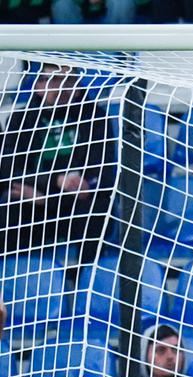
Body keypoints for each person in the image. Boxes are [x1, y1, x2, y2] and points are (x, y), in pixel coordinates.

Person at [0, 64, 114, 260]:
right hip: (33, 204)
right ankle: (17, 273)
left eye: (69, 81)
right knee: (10, 204)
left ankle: (86, 274)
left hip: (74, 205)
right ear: (38, 86)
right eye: (53, 80)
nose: (62, 87)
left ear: (78, 87)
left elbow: (102, 173)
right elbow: (11, 171)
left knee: (98, 208)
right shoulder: (19, 120)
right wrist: (56, 181)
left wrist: (48, 198)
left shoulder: (97, 118)